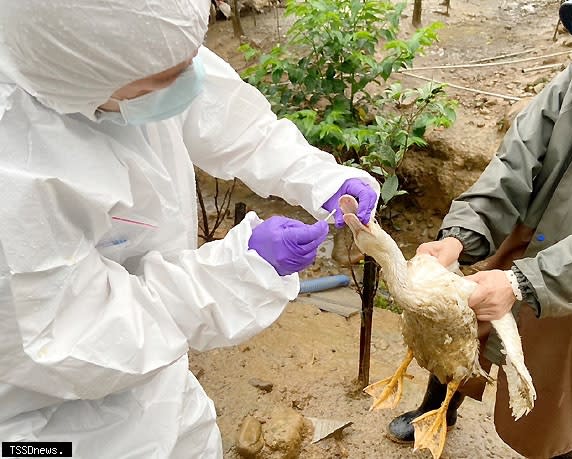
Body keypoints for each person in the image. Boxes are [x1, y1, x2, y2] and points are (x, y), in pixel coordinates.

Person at [0, 0, 379, 457]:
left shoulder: (130, 58)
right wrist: (239, 271)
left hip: (159, 385)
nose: (189, 80)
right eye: (166, 78)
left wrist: (320, 177)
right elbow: (74, 340)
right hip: (53, 424)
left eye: (190, 57)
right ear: (85, 74)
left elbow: (231, 120)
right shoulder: (17, 171)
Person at [386, 1, 572, 457]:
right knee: (459, 323)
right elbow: (509, 169)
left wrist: (525, 282)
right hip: (526, 241)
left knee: (561, 394)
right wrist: (457, 239)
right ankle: (437, 410)